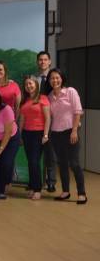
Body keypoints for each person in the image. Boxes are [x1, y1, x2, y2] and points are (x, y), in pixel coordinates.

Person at [47, 69, 86, 204]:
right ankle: (65, 191)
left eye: (57, 77)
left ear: (62, 78)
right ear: (49, 81)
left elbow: (78, 112)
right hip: (56, 134)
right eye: (52, 78)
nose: (55, 80)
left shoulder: (70, 91)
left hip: (70, 132)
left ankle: (82, 193)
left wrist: (74, 131)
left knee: (74, 163)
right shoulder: (49, 96)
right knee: (62, 164)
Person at [19, 76, 50, 201]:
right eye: (26, 84)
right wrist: (20, 135)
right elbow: (22, 120)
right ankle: (32, 186)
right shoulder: (25, 100)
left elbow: (48, 118)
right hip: (27, 134)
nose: (28, 86)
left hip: (39, 134)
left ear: (36, 85)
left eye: (30, 83)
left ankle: (37, 189)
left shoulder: (43, 98)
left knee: (34, 161)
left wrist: (45, 134)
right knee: (31, 161)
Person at [35, 51, 56, 192]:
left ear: (49, 62)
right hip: (36, 121)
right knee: (36, 154)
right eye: (40, 60)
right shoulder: (33, 79)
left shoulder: (55, 78)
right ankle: (36, 182)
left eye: (45, 59)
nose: (43, 62)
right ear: (37, 62)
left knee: (50, 153)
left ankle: (51, 182)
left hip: (52, 120)